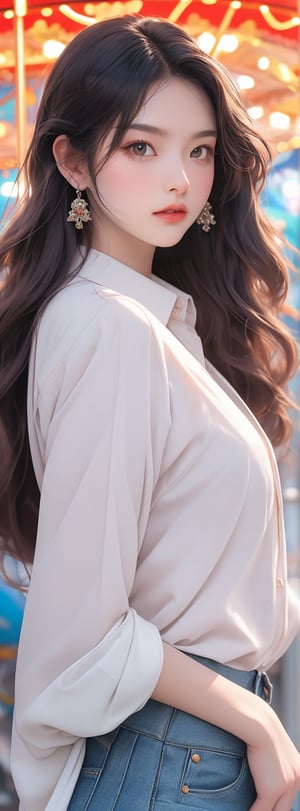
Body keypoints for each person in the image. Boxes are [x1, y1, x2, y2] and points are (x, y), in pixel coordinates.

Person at [0, 13, 300, 811]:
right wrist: (257, 720)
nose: (180, 178)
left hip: (185, 751)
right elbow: (84, 628)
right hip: (168, 753)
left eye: (199, 150)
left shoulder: (161, 328)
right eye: (142, 146)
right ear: (71, 159)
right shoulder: (111, 328)